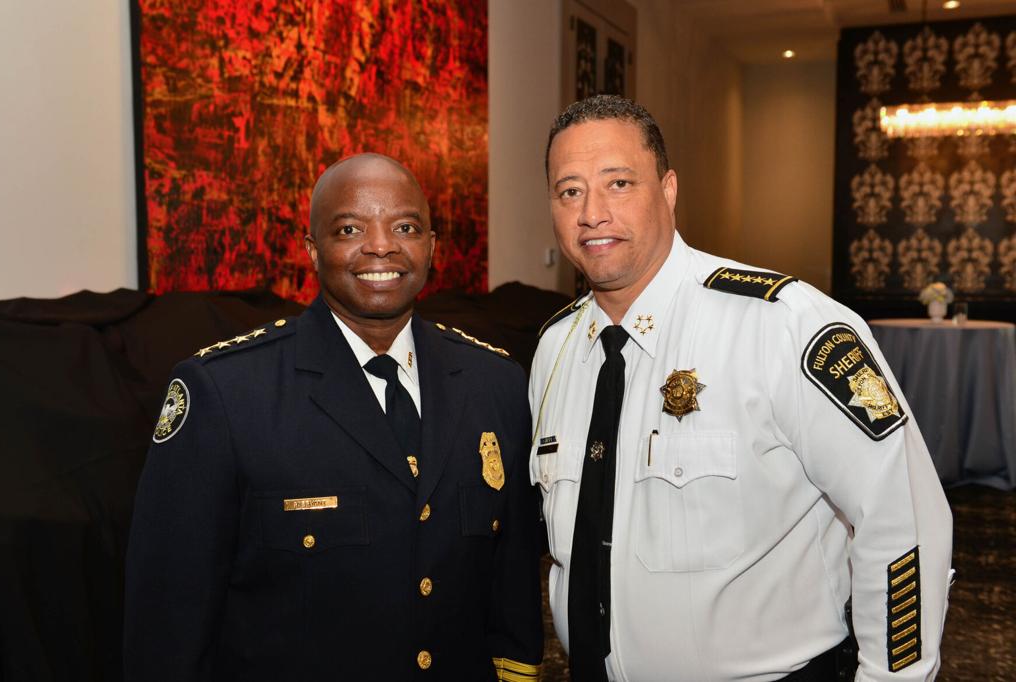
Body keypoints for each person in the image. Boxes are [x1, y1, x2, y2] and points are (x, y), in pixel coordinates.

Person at [529, 95, 953, 681]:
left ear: (669, 189)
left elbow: (903, 520)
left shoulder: (785, 325)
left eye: (619, 182)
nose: (592, 212)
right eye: (568, 190)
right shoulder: (555, 350)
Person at [125, 153, 543, 681]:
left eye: (405, 227)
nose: (381, 246)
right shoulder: (226, 394)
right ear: (312, 250)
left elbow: (512, 591)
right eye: (350, 228)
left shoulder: (496, 384)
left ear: (431, 247)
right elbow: (168, 622)